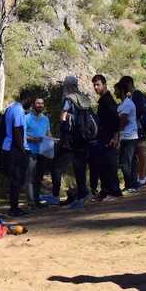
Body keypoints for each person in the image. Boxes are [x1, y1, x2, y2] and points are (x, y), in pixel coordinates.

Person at [43, 76, 91, 209]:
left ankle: (55, 195)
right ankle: (81, 198)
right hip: (83, 138)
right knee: (80, 169)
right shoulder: (84, 98)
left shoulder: (69, 98)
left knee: (57, 166)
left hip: (70, 139)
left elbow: (63, 118)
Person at [2, 89, 34, 217]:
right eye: (30, 103)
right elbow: (17, 130)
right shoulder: (19, 111)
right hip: (14, 149)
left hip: (9, 148)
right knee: (17, 179)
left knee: (15, 180)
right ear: (28, 100)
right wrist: (22, 150)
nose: (30, 106)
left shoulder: (11, 108)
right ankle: (14, 209)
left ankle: (14, 207)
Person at [91, 75, 123, 200]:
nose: (96, 87)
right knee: (102, 164)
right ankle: (105, 191)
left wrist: (115, 136)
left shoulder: (108, 100)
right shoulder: (103, 100)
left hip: (109, 137)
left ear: (104, 84)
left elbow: (116, 118)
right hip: (102, 137)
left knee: (110, 164)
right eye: (94, 85)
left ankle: (115, 191)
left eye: (98, 84)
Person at [120, 76, 146, 188]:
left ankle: (142, 179)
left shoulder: (136, 94)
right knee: (137, 153)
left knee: (141, 152)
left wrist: (131, 118)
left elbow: (141, 110)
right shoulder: (132, 96)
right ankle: (141, 177)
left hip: (139, 127)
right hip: (136, 128)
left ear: (130, 84)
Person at [24, 96, 51, 209]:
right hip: (31, 151)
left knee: (39, 176)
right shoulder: (26, 118)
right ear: (33, 105)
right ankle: (31, 202)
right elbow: (22, 134)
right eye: (38, 103)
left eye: (42, 103)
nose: (40, 105)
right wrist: (34, 139)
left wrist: (52, 139)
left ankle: (37, 200)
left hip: (43, 151)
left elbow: (48, 132)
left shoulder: (45, 119)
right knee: (30, 177)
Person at [114, 81, 140, 192]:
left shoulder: (127, 104)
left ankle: (129, 186)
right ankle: (134, 185)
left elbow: (123, 120)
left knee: (124, 163)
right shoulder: (121, 105)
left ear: (122, 91)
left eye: (116, 90)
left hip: (129, 137)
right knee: (132, 161)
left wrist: (114, 131)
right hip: (128, 136)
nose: (115, 92)